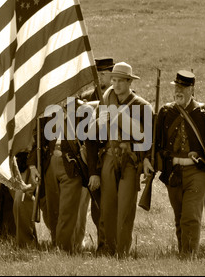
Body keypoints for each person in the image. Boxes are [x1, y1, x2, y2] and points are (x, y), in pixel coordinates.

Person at [143, 70, 205, 258]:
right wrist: (146, 159)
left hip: (196, 171)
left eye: (183, 87)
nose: (179, 91)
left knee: (191, 215)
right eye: (177, 87)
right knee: (179, 216)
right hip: (173, 172)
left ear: (192, 89)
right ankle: (183, 251)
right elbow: (155, 142)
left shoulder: (204, 111)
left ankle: (189, 255)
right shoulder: (166, 111)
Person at [95, 62, 152, 258]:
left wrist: (144, 159)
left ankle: (122, 252)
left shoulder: (142, 106)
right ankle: (108, 249)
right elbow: (96, 134)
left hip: (130, 161)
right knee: (108, 208)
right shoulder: (106, 102)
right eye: (114, 80)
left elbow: (148, 139)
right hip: (109, 159)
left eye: (121, 80)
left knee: (125, 210)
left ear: (129, 82)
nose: (116, 84)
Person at [28, 99, 99, 254]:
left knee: (67, 211)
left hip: (72, 166)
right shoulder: (49, 108)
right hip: (49, 164)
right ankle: (57, 243)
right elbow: (38, 139)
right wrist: (33, 166)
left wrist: (93, 172)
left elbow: (91, 144)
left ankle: (64, 249)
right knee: (51, 210)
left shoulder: (84, 110)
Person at [73, 57, 114, 252]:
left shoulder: (119, 97)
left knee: (104, 206)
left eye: (104, 74)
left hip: (109, 157)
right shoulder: (87, 97)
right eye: (98, 74)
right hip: (86, 159)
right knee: (83, 206)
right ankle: (78, 243)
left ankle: (105, 244)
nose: (100, 77)